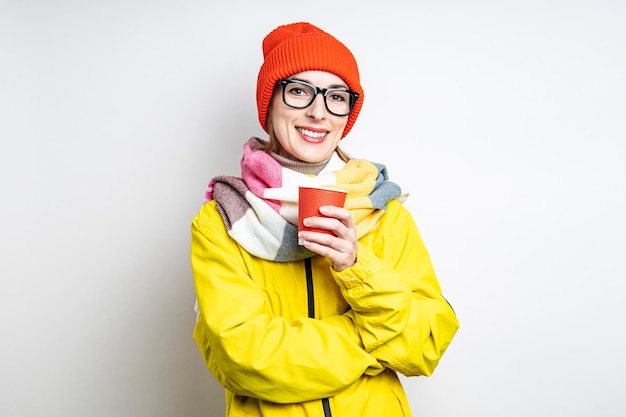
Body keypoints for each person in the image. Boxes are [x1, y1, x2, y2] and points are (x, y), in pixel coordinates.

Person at [190, 21, 459, 417]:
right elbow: (244, 357)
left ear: (347, 112)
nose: (318, 112)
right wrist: (373, 341)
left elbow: (425, 345)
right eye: (299, 91)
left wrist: (355, 266)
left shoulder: (384, 211)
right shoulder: (223, 220)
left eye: (336, 96)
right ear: (270, 105)